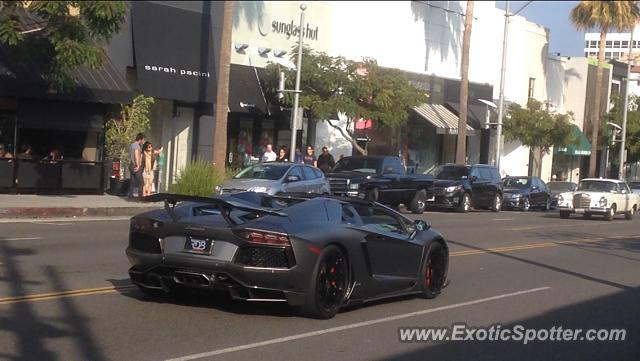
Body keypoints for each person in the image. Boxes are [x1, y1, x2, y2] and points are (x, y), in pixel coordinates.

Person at [128, 133, 145, 199]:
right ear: (140, 139)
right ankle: (140, 196)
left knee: (132, 181)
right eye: (143, 139)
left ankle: (130, 195)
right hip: (135, 165)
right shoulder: (137, 146)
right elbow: (136, 155)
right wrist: (138, 165)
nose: (143, 141)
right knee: (141, 182)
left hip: (131, 165)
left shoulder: (132, 145)